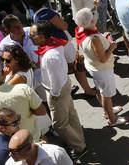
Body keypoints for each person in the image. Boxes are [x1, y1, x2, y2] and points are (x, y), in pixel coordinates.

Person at [28, 22, 87, 160]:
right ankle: (79, 138)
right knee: (70, 115)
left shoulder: (50, 56)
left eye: (33, 35)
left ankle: (79, 147)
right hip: (63, 85)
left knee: (59, 124)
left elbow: (56, 80)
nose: (30, 37)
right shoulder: (53, 44)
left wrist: (54, 95)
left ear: (42, 37)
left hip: (57, 90)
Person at [73, 8, 127, 127]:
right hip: (102, 69)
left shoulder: (80, 30)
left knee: (100, 91)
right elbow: (103, 58)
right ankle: (112, 119)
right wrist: (112, 46)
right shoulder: (94, 39)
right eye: (92, 15)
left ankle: (108, 111)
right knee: (106, 95)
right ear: (91, 21)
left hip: (93, 66)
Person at [0, 59, 46, 143]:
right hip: (32, 142)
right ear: (3, 72)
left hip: (9, 150)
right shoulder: (23, 89)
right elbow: (42, 111)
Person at [5, 129, 73, 165]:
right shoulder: (10, 163)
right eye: (10, 150)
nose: (10, 154)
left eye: (14, 151)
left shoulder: (56, 154)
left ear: (28, 148)